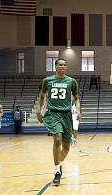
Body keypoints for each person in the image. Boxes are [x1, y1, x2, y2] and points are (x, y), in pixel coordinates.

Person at [37, 58, 81, 186]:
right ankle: (57, 172)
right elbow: (42, 96)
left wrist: (78, 110)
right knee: (57, 139)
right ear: (55, 67)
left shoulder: (71, 81)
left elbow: (77, 98)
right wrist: (39, 111)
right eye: (60, 65)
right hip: (52, 113)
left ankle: (59, 164)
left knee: (66, 147)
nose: (63, 66)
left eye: (64, 65)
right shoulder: (47, 81)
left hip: (66, 114)